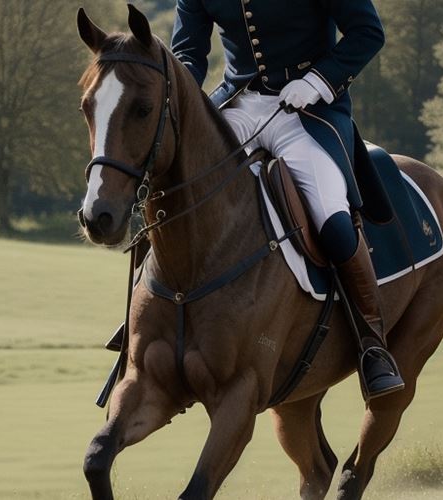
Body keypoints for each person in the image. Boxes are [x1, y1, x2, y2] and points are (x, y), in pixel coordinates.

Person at [171, 0, 403, 399]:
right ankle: (150, 319)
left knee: (331, 218)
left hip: (309, 112)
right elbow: (187, 53)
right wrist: (181, 96)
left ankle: (372, 342)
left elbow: (368, 33)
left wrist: (317, 81)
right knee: (182, 192)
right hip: (238, 106)